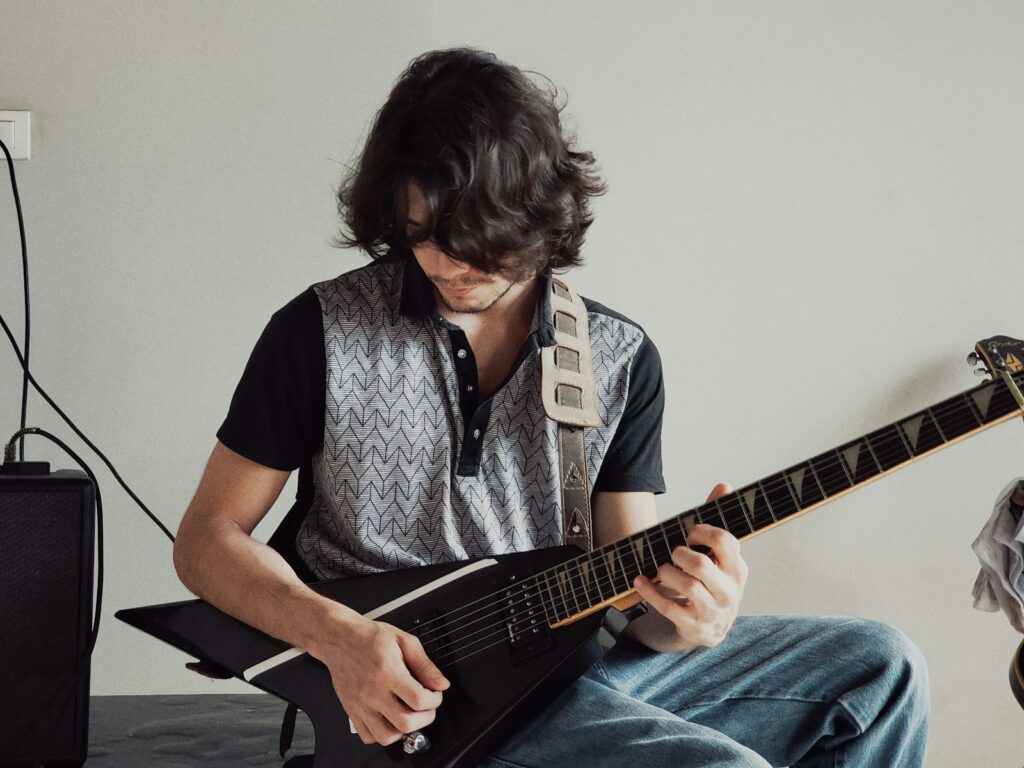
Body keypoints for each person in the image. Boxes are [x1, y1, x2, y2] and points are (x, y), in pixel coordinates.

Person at [173, 47, 929, 767]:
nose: (444, 264)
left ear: (536, 216)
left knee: (882, 668)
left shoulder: (618, 356)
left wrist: (694, 614)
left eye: (473, 240)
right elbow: (207, 541)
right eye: (419, 236)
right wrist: (338, 638)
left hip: (572, 667)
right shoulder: (319, 332)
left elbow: (637, 602)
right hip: (423, 703)